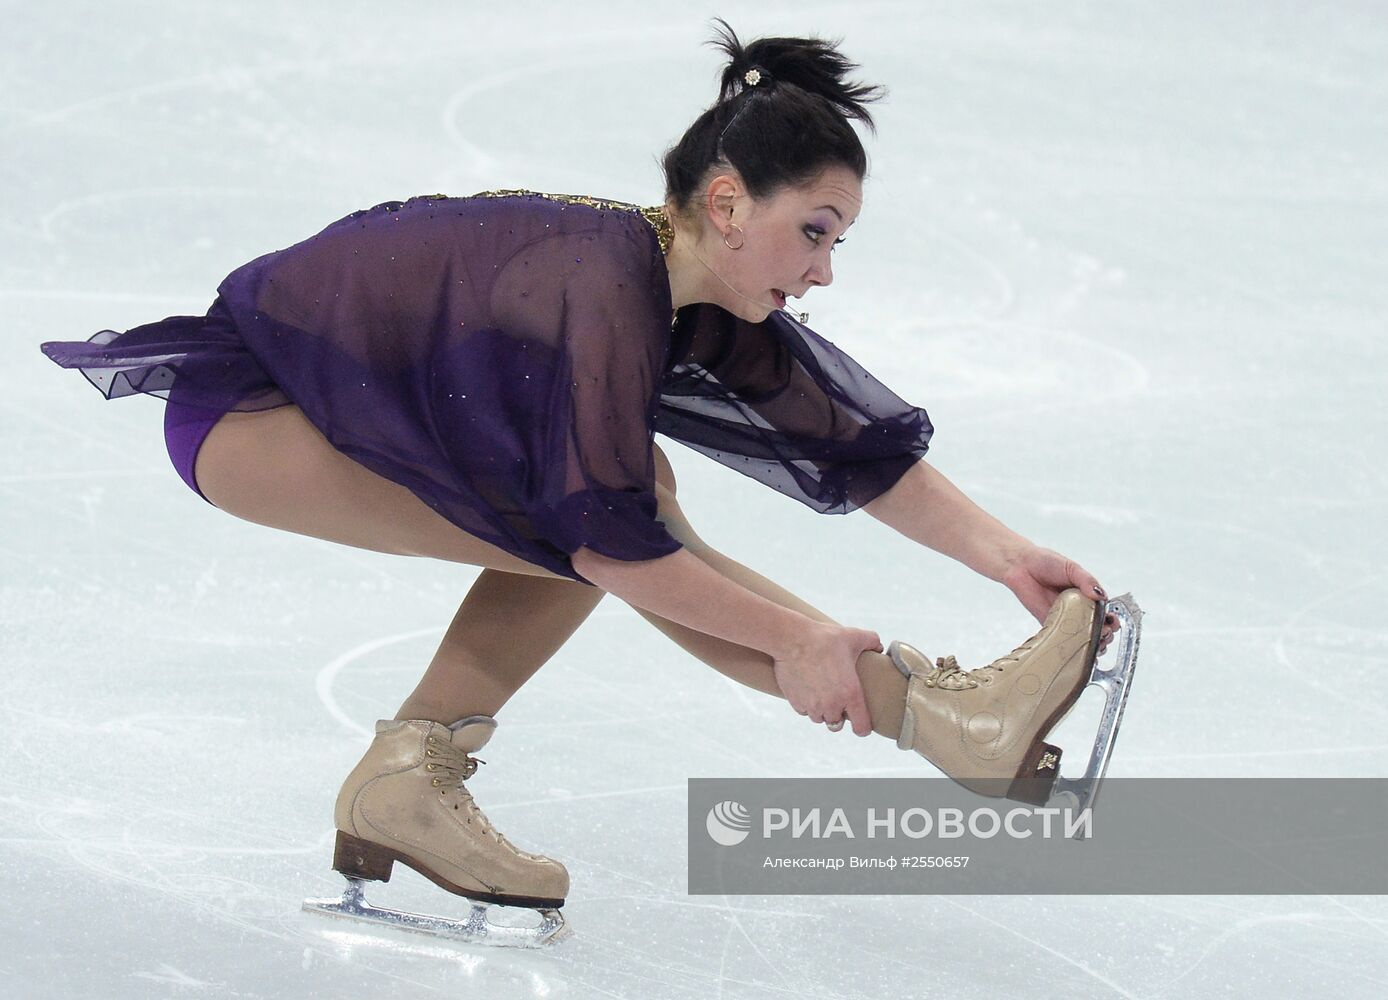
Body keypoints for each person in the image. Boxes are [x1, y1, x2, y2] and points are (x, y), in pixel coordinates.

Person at [40, 20, 1124, 940]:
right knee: (595, 515)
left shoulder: (699, 291)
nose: (822, 268)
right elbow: (609, 544)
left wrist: (1005, 556)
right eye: (814, 231)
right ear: (728, 202)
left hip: (354, 399)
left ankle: (408, 779)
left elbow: (855, 450)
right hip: (253, 410)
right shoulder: (603, 286)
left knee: (604, 498)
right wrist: (796, 642)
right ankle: (938, 722)